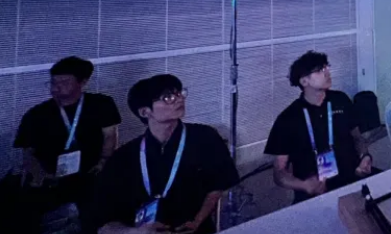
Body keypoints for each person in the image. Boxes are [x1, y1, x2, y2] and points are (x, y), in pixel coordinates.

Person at [93, 74, 239, 234]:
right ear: (145, 112)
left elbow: (218, 185)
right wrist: (135, 232)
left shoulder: (205, 136)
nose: (179, 99)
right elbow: (103, 221)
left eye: (180, 93)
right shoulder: (125, 156)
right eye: (168, 97)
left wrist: (197, 220)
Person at [15, 57, 121, 234]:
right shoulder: (37, 114)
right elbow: (28, 152)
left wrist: (104, 162)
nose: (56, 87)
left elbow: (110, 136)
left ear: (83, 82)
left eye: (64, 82)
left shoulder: (101, 104)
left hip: (91, 174)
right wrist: (40, 174)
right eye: (53, 82)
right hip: (52, 179)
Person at [265, 51, 373, 204]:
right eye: (319, 70)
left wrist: (365, 157)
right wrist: (304, 185)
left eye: (327, 67)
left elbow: (357, 138)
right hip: (316, 191)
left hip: (353, 178)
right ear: (304, 81)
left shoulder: (341, 100)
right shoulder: (288, 118)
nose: (327, 72)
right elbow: (279, 173)